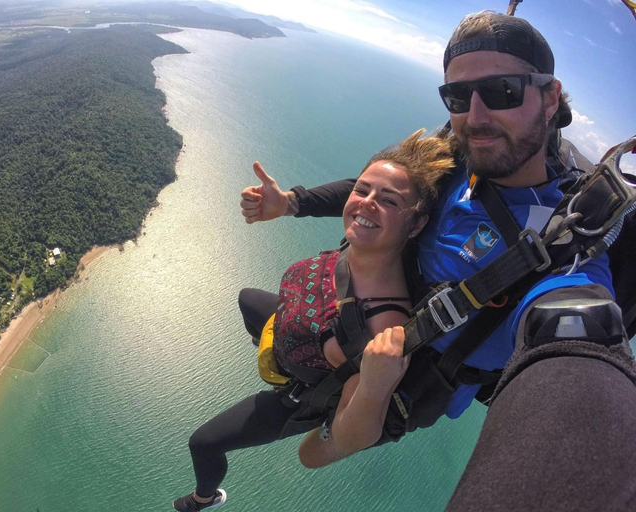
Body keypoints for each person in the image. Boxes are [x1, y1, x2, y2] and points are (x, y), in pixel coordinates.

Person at [239, 11, 626, 469]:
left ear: (549, 96)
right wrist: (292, 203)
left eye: (503, 91)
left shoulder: (562, 246)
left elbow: (574, 346)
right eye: (458, 96)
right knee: (251, 304)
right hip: (364, 308)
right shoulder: (461, 159)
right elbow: (382, 189)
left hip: (412, 376)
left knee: (313, 454)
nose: (475, 116)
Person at [173, 129, 454, 511]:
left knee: (203, 442)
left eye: (388, 200)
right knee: (246, 300)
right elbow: (357, 201)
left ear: (416, 224)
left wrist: (374, 386)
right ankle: (286, 356)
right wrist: (289, 202)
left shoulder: (382, 328)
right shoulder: (360, 248)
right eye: (363, 190)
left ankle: (203, 499)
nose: (367, 203)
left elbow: (335, 444)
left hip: (300, 396)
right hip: (302, 327)